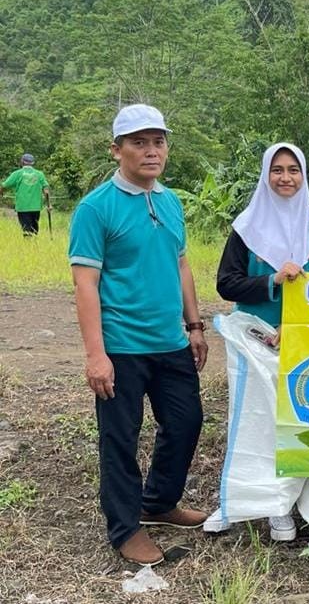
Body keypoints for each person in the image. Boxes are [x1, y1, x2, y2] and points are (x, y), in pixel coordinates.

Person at [68, 104, 208, 566]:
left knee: (186, 422)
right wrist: (96, 355)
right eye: (139, 142)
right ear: (117, 149)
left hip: (170, 342)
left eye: (158, 141)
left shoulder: (169, 201)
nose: (151, 151)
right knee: (121, 438)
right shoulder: (96, 208)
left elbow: (181, 263)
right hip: (123, 347)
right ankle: (126, 528)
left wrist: (194, 324)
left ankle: (160, 502)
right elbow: (85, 282)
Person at [212, 142, 309, 541]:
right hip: (255, 339)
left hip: (304, 340)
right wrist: (272, 281)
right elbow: (226, 282)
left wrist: (300, 322)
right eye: (277, 170)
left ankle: (284, 507)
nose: (285, 178)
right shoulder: (247, 226)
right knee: (256, 425)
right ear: (266, 175)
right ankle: (253, 503)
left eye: (293, 170)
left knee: (299, 422)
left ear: (304, 176)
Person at [1, 153, 51, 236]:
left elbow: (5, 185)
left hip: (23, 207)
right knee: (34, 229)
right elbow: (46, 190)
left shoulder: (17, 174)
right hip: (36, 207)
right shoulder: (39, 174)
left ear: (22, 162)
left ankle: (28, 245)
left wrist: (1, 191)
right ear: (33, 163)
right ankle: (34, 246)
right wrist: (49, 204)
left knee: (26, 229)